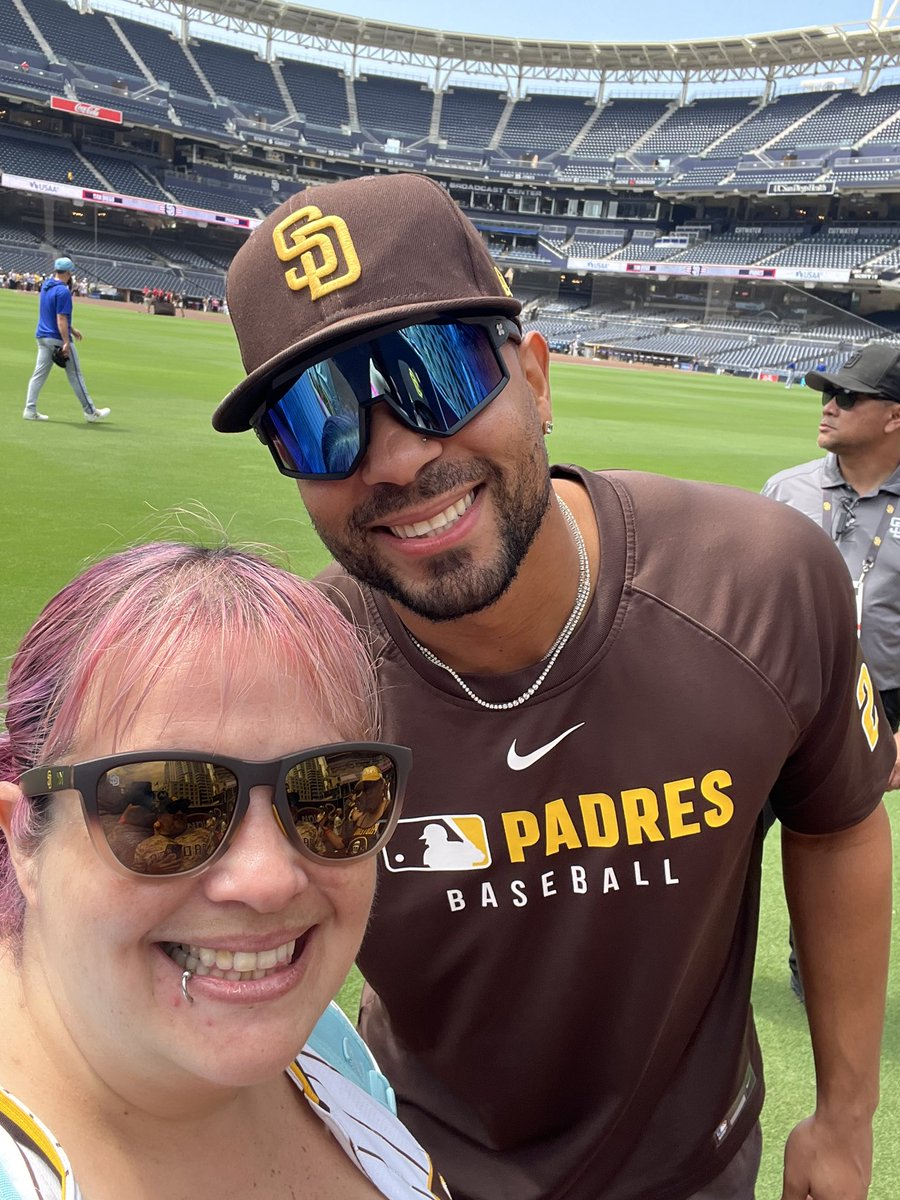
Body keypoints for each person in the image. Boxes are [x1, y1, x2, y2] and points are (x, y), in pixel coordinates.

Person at [213, 173, 894, 1200]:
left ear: (534, 374)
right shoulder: (290, 680)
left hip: (699, 1173)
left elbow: (839, 821)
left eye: (434, 371)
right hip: (414, 1171)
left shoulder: (763, 580)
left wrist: (845, 1116)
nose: (397, 458)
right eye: (320, 420)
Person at [0, 540, 452, 1200]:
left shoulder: (319, 1033)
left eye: (330, 794)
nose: (268, 880)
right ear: (24, 839)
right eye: (166, 805)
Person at [764, 343, 900, 781]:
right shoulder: (786, 490)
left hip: (876, 702)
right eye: (828, 395)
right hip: (778, 693)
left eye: (847, 398)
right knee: (738, 829)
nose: (828, 408)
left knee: (838, 839)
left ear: (894, 417)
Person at [22, 256, 110, 423]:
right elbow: (60, 318)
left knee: (38, 375)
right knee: (75, 374)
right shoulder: (62, 291)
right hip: (55, 337)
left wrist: (72, 329)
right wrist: (66, 341)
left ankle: (30, 409)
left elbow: (51, 312)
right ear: (69, 272)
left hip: (42, 336)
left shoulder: (47, 285)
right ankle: (90, 411)